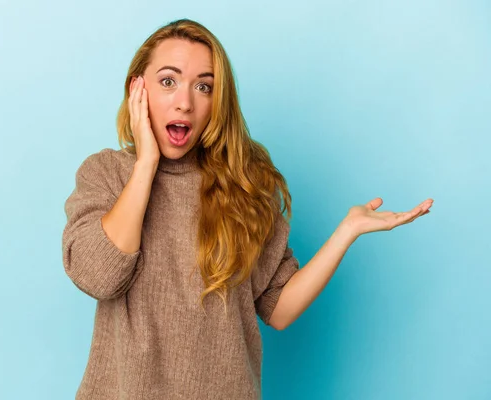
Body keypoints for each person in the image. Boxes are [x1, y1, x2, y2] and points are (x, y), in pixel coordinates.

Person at [61, 18, 433, 400]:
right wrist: (145, 166)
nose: (185, 102)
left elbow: (279, 309)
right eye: (168, 81)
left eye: (203, 86)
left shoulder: (245, 185)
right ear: (138, 89)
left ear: (217, 101)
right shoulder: (105, 173)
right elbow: (99, 276)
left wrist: (347, 231)